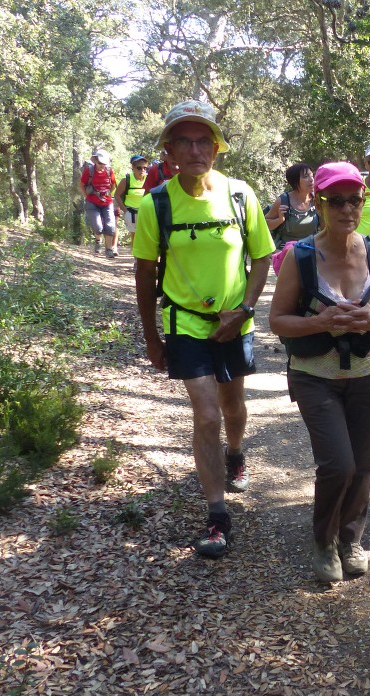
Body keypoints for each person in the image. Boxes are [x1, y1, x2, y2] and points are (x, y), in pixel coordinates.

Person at [132, 100, 274, 559]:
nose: (194, 149)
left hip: (235, 321)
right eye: (184, 141)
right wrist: (153, 337)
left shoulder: (240, 194)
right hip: (184, 324)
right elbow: (144, 273)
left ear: (215, 148)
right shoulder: (157, 203)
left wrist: (246, 309)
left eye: (202, 141)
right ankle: (217, 517)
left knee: (233, 408)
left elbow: (263, 257)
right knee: (207, 415)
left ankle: (236, 453)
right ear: (169, 150)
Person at [270, 162, 370, 583]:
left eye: (355, 199)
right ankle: (324, 540)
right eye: (336, 201)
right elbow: (278, 320)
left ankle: (351, 539)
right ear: (321, 205)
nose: (347, 208)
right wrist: (320, 322)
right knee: (338, 464)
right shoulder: (301, 256)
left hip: (367, 375)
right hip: (315, 376)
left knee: (363, 463)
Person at [264, 163, 317, 249]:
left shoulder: (316, 200)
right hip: (286, 254)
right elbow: (265, 224)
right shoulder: (283, 201)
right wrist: (280, 220)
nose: (311, 179)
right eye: (305, 176)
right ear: (295, 181)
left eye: (312, 175)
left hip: (312, 252)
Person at [79, 149, 119, 258]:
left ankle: (109, 250)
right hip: (92, 202)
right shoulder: (89, 170)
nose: (102, 165)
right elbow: (81, 184)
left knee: (110, 226)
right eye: (100, 163)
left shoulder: (109, 171)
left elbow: (113, 184)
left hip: (107, 202)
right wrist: (87, 197)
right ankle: (97, 241)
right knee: (98, 226)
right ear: (96, 161)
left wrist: (107, 194)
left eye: (104, 163)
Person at [114, 154, 149, 239]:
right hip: (131, 212)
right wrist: (126, 211)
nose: (142, 170)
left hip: (145, 212)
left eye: (145, 168)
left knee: (145, 235)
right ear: (133, 167)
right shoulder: (126, 180)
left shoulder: (149, 178)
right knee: (134, 235)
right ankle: (134, 252)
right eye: (139, 168)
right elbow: (117, 195)